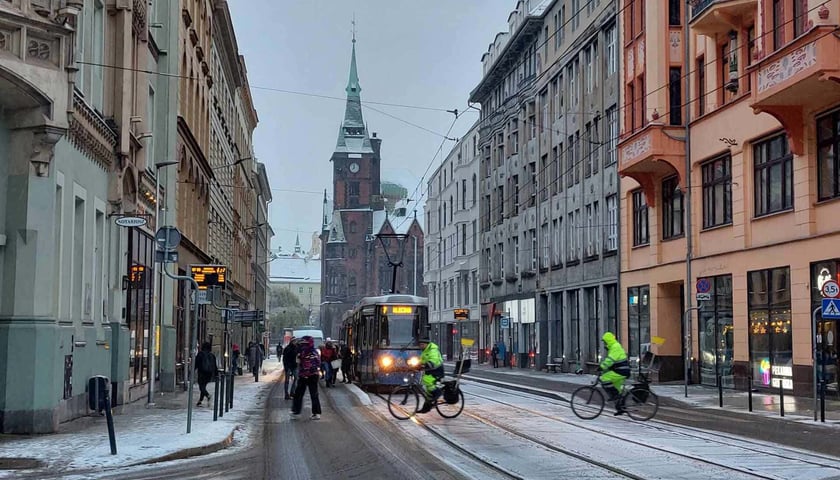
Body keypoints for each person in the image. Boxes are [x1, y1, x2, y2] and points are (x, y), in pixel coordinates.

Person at [599, 332, 632, 415]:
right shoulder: (613, 347)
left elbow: (610, 359)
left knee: (604, 378)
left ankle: (615, 396)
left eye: (605, 342)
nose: (604, 344)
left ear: (608, 340)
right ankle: (621, 408)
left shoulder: (615, 347)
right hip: (620, 370)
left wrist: (602, 366)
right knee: (618, 390)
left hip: (621, 370)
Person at [291, 335, 322, 420]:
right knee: (302, 394)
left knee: (311, 394)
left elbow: (314, 363)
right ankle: (298, 411)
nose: (302, 345)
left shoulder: (309, 353)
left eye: (304, 344)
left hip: (309, 375)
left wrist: (307, 371)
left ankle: (314, 412)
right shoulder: (306, 352)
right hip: (308, 375)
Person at [417, 337, 444, 414]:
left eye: (422, 344)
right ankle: (426, 407)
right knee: (428, 391)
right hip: (430, 370)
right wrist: (417, 365)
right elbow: (422, 360)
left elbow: (434, 360)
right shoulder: (425, 350)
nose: (421, 346)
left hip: (437, 370)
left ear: (426, 344)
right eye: (420, 344)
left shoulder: (433, 350)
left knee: (427, 381)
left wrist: (427, 364)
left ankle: (438, 392)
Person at [195, 342, 217, 407]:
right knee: (203, 386)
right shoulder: (212, 355)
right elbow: (215, 366)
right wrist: (216, 374)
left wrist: (193, 369)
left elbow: (196, 363)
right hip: (209, 374)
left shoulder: (200, 354)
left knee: (201, 387)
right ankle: (200, 401)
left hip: (202, 373)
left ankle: (208, 396)